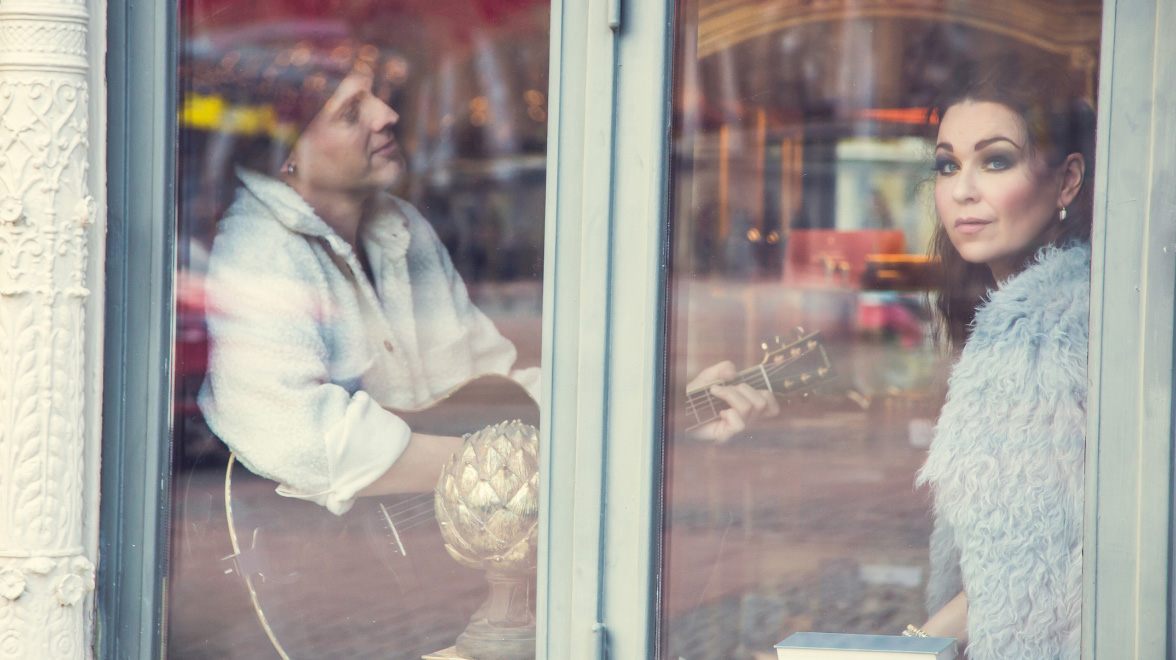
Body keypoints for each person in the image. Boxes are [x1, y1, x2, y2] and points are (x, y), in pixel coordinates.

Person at [197, 43, 541, 515]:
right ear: (286, 155)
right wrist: (494, 467)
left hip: (443, 528)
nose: (387, 115)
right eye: (350, 112)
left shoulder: (404, 225)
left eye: (376, 96)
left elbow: (491, 376)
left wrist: (589, 425)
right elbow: (298, 437)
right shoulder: (257, 251)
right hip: (329, 553)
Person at [910, 56, 1095, 660]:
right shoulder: (1032, 317)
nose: (963, 189)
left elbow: (1024, 578)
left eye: (995, 161)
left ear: (1067, 181)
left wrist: (908, 647)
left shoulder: (1043, 337)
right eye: (947, 165)